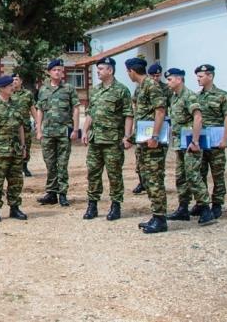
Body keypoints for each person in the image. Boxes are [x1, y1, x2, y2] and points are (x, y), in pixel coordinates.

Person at [82, 57, 133, 221]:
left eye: (101, 69)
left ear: (110, 70)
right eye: (97, 70)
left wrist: (127, 136)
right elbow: (90, 113)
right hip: (95, 140)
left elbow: (128, 115)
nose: (98, 72)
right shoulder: (95, 90)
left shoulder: (121, 90)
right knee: (93, 173)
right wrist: (85, 131)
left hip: (112, 141)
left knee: (114, 174)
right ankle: (92, 205)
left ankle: (116, 205)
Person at [164, 68, 215, 225]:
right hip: (179, 144)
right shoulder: (174, 98)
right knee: (181, 177)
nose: (168, 82)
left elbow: (198, 118)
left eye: (170, 79)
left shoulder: (189, 96)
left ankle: (206, 208)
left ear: (179, 80)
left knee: (193, 175)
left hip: (190, 143)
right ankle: (183, 208)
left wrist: (195, 141)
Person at [125, 57, 169, 234]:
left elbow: (160, 111)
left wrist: (155, 136)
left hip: (153, 141)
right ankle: (156, 214)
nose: (128, 74)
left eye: (128, 72)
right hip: (143, 140)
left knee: (155, 178)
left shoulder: (152, 85)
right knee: (146, 177)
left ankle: (160, 218)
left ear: (132, 71)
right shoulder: (141, 87)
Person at [188, 64, 227, 219]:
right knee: (200, 173)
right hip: (201, 141)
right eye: (198, 76)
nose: (198, 79)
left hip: (216, 141)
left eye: (200, 76)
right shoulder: (197, 96)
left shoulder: (223, 96)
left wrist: (225, 139)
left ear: (210, 76)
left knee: (217, 174)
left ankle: (217, 204)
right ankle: (202, 203)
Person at [0, 75, 27, 222]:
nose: (12, 87)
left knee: (16, 180)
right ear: (1, 88)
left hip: (15, 149)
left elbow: (20, 126)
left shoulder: (16, 103)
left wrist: (23, 145)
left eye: (12, 85)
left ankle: (14, 208)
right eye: (9, 86)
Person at [35, 58, 80, 207]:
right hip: (47, 132)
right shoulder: (43, 89)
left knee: (62, 163)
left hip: (63, 132)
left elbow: (76, 108)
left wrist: (75, 129)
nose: (58, 72)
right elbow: (40, 110)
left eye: (60, 70)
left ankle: (62, 194)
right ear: (49, 72)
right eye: (55, 70)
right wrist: (38, 129)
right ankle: (51, 193)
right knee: (50, 163)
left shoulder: (68, 88)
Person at [11, 74, 37, 177]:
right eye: (12, 80)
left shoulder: (27, 94)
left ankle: (24, 166)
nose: (14, 81)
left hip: (25, 125)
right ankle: (14, 168)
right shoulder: (8, 92)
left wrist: (37, 122)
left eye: (16, 79)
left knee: (26, 145)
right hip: (12, 126)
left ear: (21, 81)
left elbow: (32, 108)